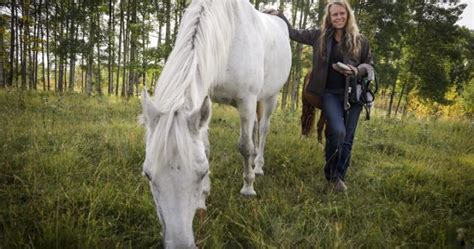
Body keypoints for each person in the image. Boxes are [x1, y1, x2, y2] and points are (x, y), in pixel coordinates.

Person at [269, 0, 374, 192]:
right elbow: (294, 33)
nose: (339, 17)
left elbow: (369, 66)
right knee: (338, 131)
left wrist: (356, 70)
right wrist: (281, 16)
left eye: (342, 14)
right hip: (329, 94)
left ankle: (338, 177)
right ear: (329, 17)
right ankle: (332, 173)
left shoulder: (361, 40)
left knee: (348, 138)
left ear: (348, 15)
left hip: (353, 95)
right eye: (335, 15)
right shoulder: (319, 36)